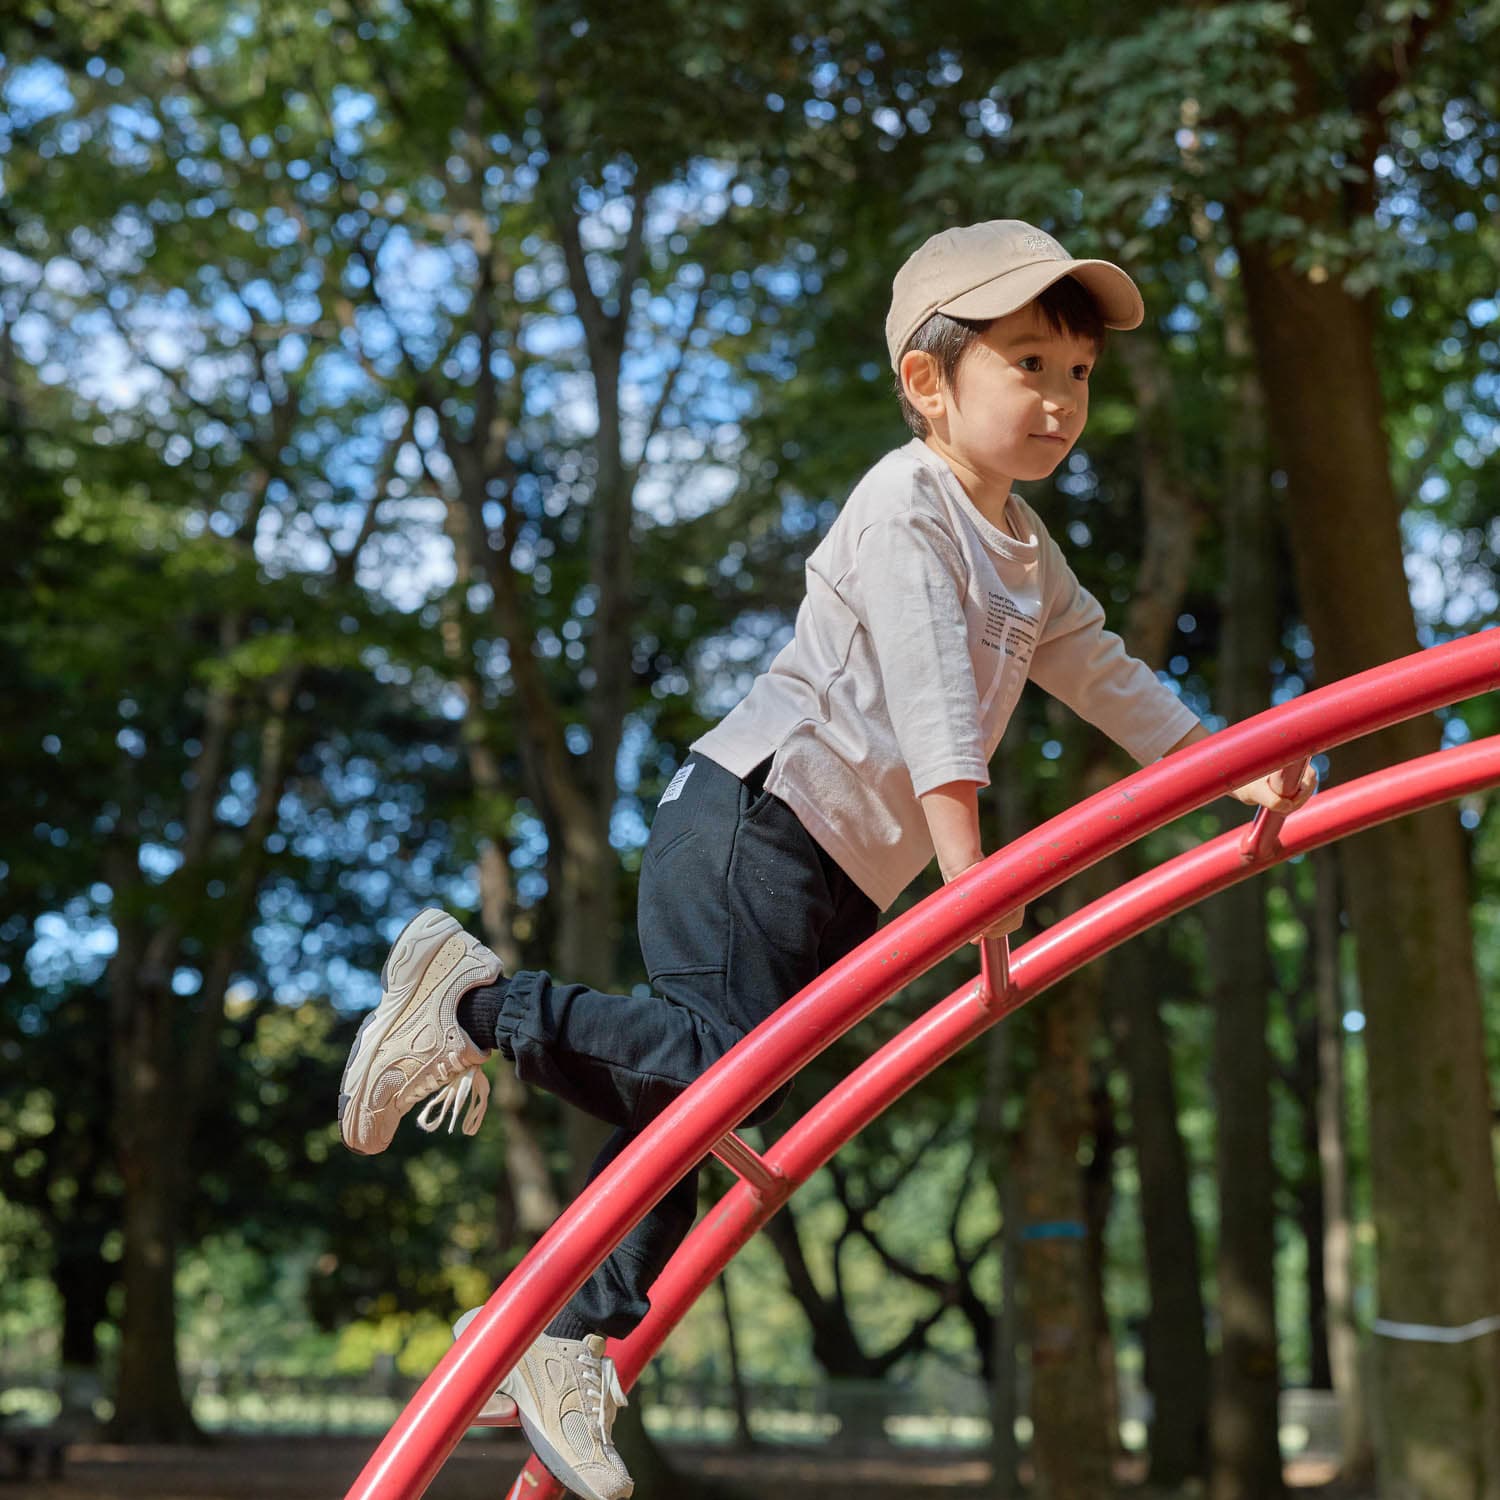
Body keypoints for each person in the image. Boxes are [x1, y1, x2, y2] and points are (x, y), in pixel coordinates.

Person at [336, 219, 1316, 1500]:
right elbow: (928, 695)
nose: (1062, 401)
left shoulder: (1026, 554)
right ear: (928, 382)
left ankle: (570, 1334)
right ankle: (469, 1002)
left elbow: (1115, 683)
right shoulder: (908, 503)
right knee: (713, 1077)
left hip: (835, 881)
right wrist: (974, 876)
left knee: (704, 1115)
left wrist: (1245, 764)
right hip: (755, 821)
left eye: (1078, 375)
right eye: (1028, 364)